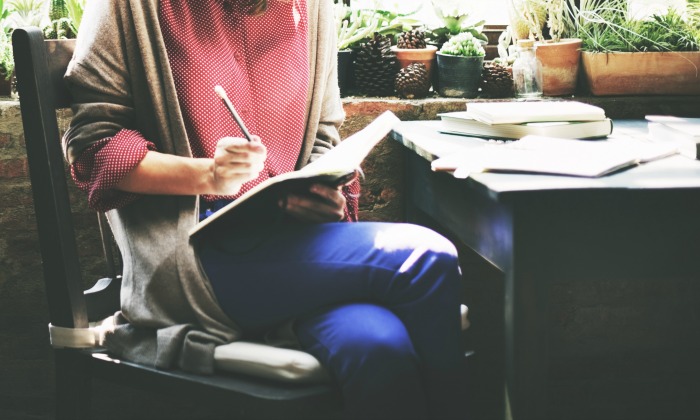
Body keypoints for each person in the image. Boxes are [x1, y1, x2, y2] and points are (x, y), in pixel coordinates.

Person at [63, 0, 468, 418]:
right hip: (193, 259)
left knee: (378, 345)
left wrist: (321, 192)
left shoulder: (312, 8)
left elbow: (323, 134)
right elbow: (95, 149)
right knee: (425, 259)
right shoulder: (131, 7)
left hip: (295, 254)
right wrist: (209, 176)